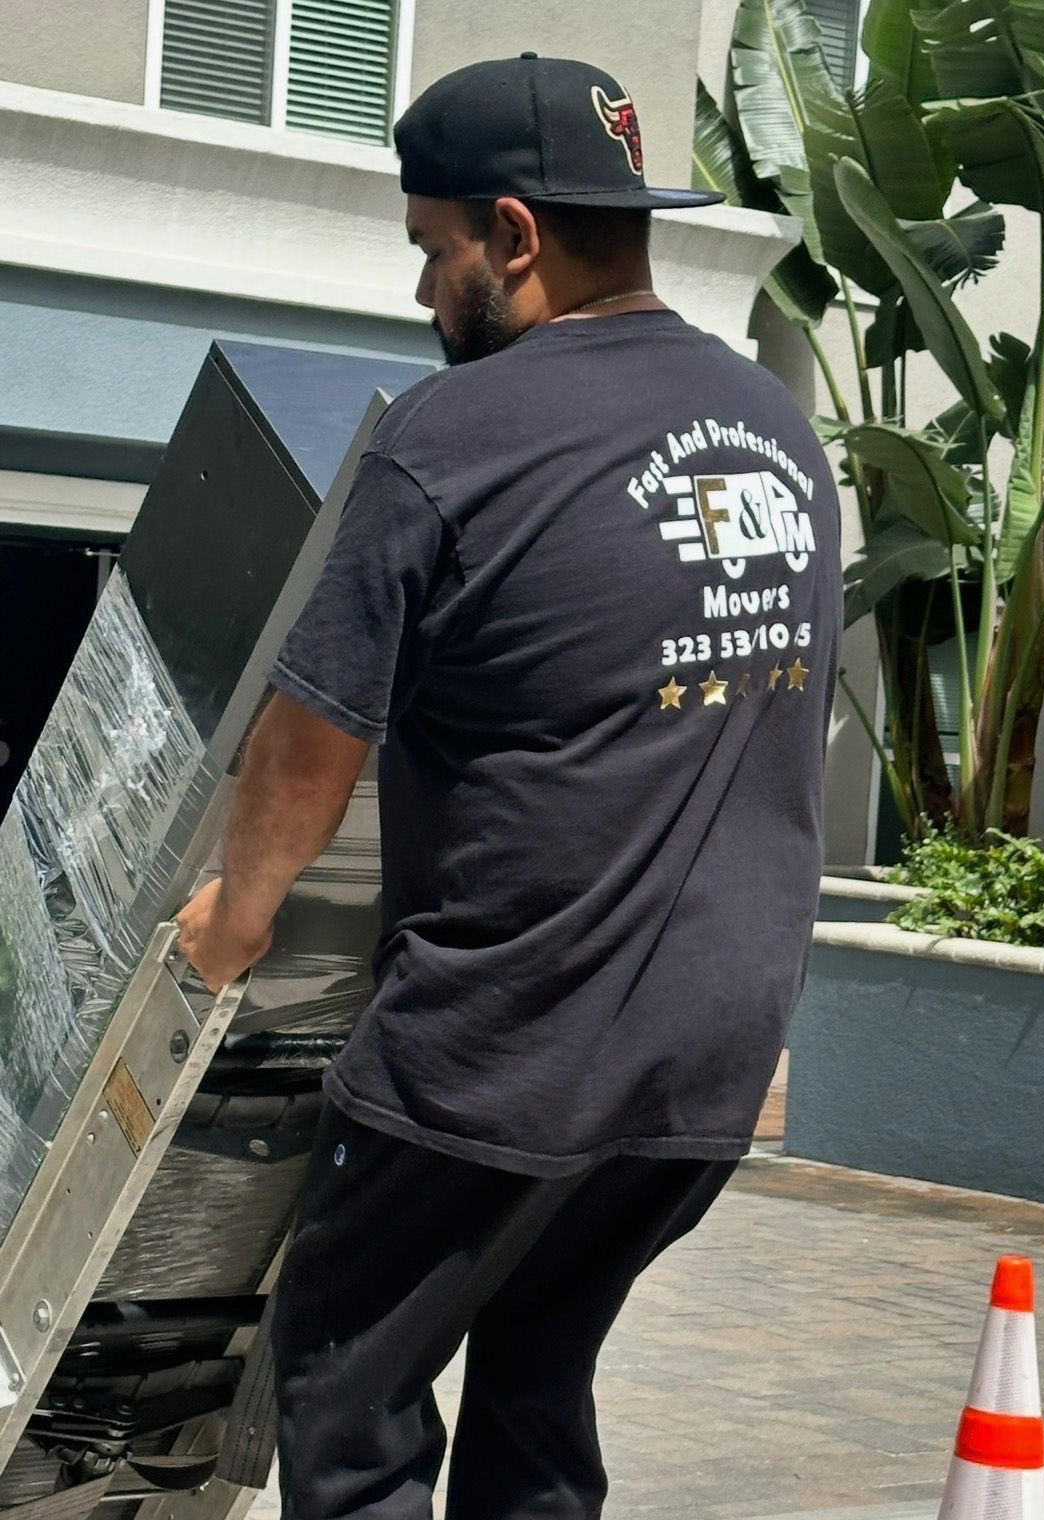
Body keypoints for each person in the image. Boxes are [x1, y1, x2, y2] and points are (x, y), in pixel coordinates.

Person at [177, 52, 842, 1520]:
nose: (424, 294)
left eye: (432, 250)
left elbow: (311, 732)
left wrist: (236, 912)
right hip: (707, 1059)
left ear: (515, 235)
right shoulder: (776, 435)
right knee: (535, 1384)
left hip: (505, 1043)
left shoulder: (454, 436)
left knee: (350, 1386)